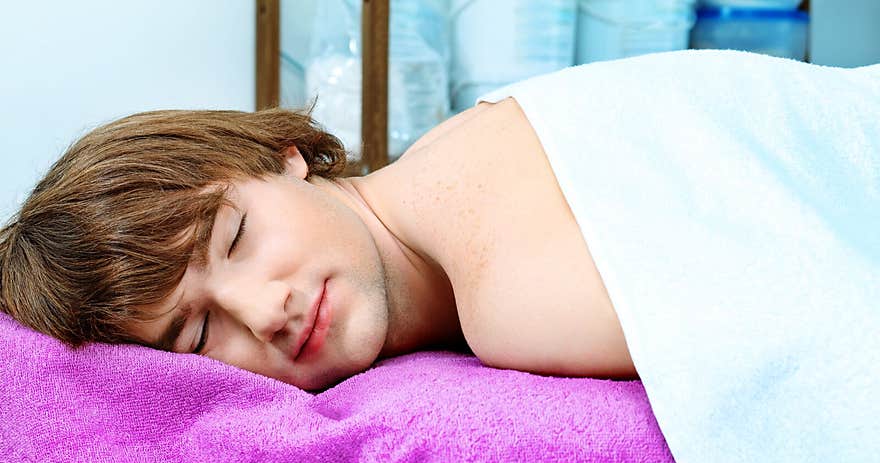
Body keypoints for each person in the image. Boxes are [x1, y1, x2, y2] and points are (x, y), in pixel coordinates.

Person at [0, 76, 637, 393]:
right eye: (198, 336)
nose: (263, 312)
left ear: (282, 155)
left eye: (234, 238)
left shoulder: (515, 303)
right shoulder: (462, 138)